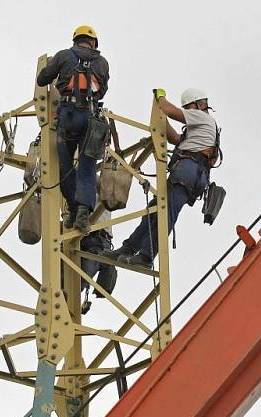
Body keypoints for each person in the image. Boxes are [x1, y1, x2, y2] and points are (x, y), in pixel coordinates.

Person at [103, 88, 220, 268]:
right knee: (154, 210)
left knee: (165, 213)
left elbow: (171, 111)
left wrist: (160, 98)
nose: (190, 111)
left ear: (198, 105)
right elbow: (175, 138)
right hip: (191, 173)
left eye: (190, 107)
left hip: (189, 172)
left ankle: (147, 256)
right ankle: (128, 248)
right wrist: (160, 119)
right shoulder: (198, 132)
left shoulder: (202, 117)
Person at [36, 25, 110, 234]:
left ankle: (73, 207)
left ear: (75, 40)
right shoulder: (102, 62)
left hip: (68, 116)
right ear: (93, 42)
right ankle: (83, 215)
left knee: (65, 166)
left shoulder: (64, 55)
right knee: (87, 166)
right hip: (91, 119)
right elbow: (102, 90)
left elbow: (43, 79)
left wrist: (53, 67)